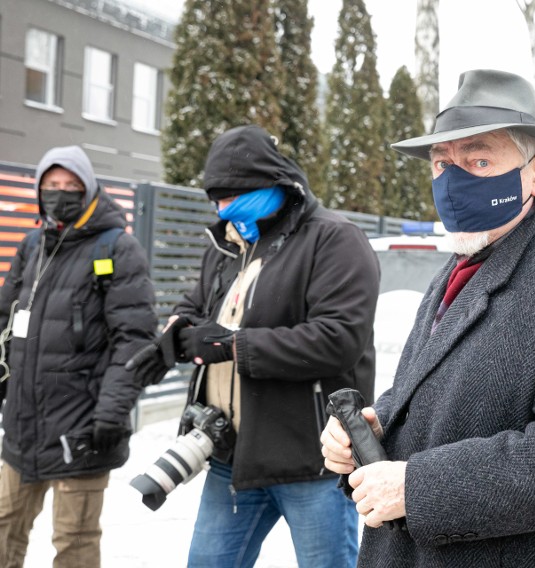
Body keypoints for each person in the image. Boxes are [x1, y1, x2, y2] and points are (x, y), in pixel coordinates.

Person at [320, 69, 535, 567]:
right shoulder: (466, 259)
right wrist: (375, 431)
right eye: (442, 163)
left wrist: (418, 487)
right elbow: (436, 390)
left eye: (479, 159)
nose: (454, 180)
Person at [127, 125, 380, 568]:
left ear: (275, 183)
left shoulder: (335, 239)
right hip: (233, 455)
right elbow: (197, 302)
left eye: (234, 194)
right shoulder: (229, 242)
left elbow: (338, 340)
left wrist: (233, 346)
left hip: (312, 459)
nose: (224, 208)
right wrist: (174, 337)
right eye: (216, 197)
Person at [0, 146, 157, 567]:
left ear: (89, 189)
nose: (61, 193)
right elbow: (5, 317)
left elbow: (135, 339)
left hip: (81, 430)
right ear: (38, 190)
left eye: (71, 186)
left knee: (74, 543)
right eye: (52, 185)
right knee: (3, 529)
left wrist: (111, 413)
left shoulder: (117, 249)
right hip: (22, 427)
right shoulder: (34, 244)